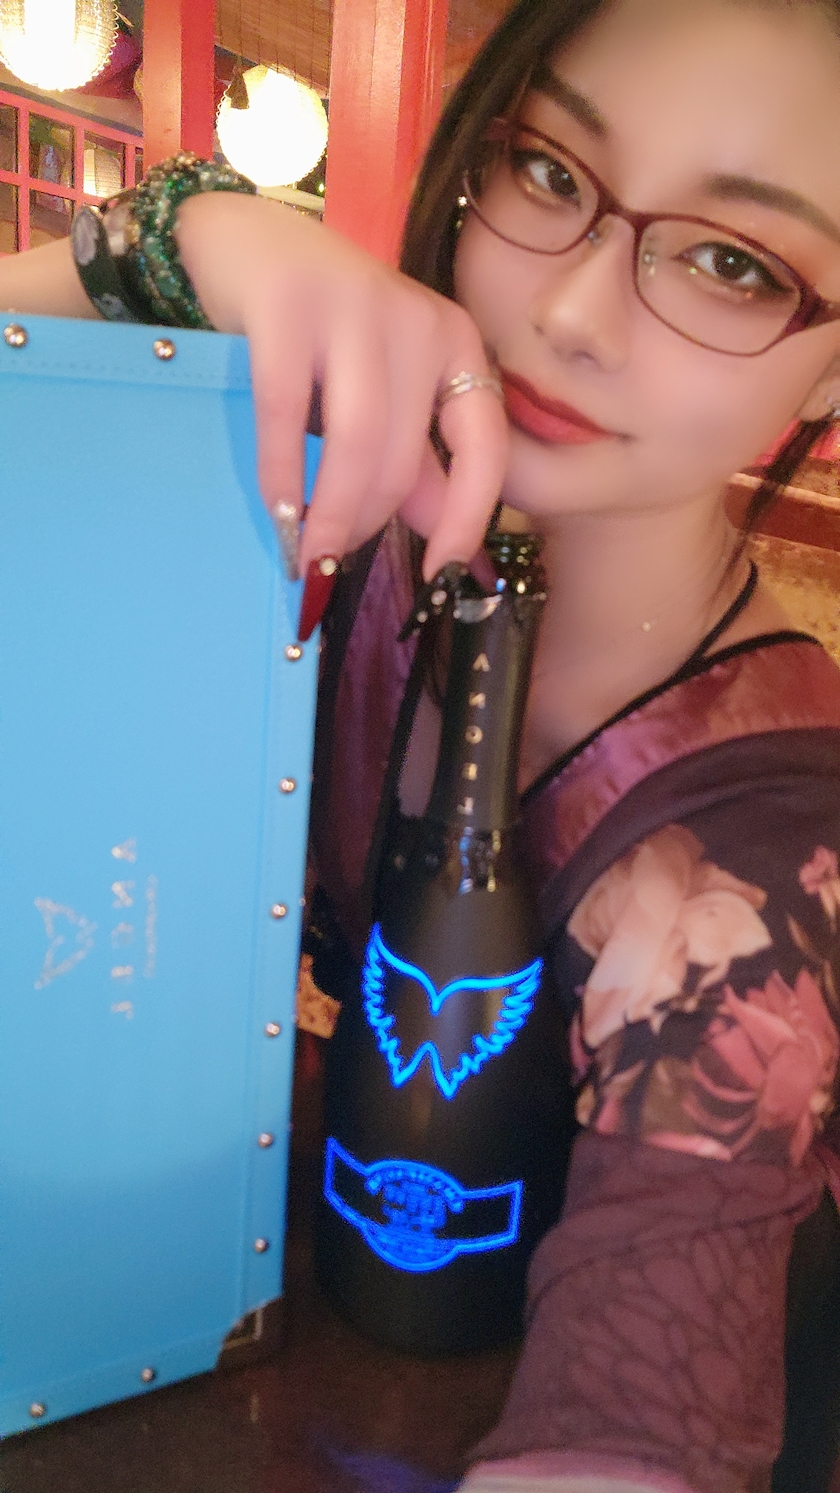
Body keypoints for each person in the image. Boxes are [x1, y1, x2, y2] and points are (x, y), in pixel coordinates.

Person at [4, 1, 840, 1489]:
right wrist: (176, 241)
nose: (571, 311)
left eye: (734, 264)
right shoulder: (327, 500)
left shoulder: (761, 843)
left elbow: (638, 1409)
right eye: (551, 173)